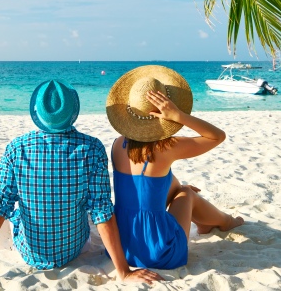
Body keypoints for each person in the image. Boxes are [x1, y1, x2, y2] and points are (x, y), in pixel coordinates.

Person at [0, 80, 161, 285]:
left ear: (37, 113)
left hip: (29, 254)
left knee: (7, 209)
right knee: (88, 208)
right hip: (72, 249)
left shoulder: (16, 149)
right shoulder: (92, 148)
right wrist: (123, 272)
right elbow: (101, 212)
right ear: (72, 112)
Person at [105, 65, 245, 269]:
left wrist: (178, 187)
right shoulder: (167, 147)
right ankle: (226, 222)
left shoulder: (118, 144)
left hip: (122, 248)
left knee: (177, 187)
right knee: (187, 194)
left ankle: (210, 220)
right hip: (160, 252)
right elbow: (217, 136)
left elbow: (150, 184)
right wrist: (179, 116)